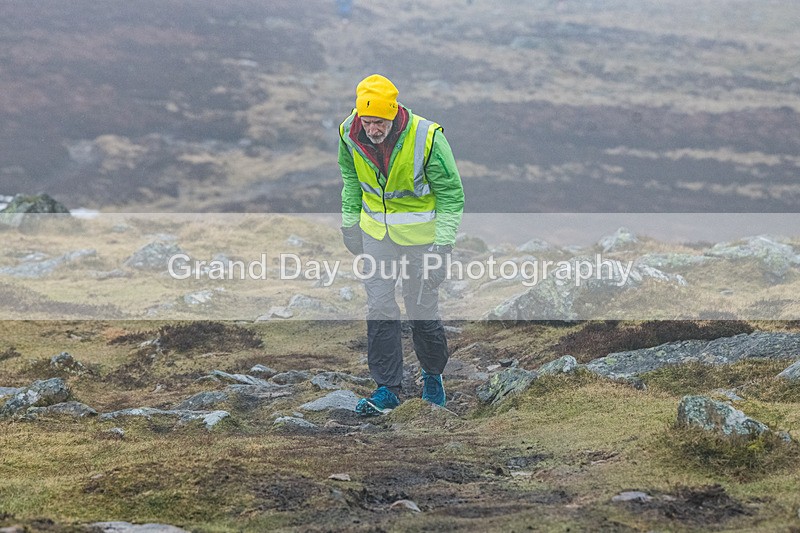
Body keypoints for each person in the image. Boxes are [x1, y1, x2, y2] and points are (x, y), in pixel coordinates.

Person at [338, 74, 465, 416]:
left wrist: (443, 245)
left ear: (392, 114)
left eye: (378, 122)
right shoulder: (349, 133)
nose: (371, 129)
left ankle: (433, 378)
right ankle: (387, 389)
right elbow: (352, 180)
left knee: (422, 310)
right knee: (379, 308)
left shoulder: (427, 138)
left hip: (421, 240)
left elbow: (451, 195)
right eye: (366, 121)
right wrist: (350, 222)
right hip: (376, 236)